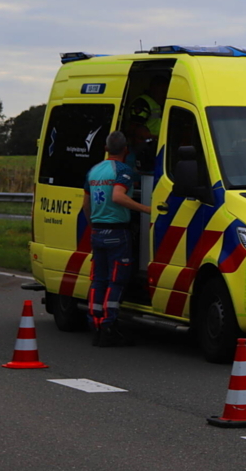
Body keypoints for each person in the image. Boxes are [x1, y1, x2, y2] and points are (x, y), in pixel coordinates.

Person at [82, 131, 151, 347]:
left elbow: (86, 205)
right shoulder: (123, 170)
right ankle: (109, 325)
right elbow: (118, 196)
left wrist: (93, 225)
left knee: (98, 279)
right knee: (116, 280)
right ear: (126, 150)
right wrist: (146, 209)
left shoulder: (94, 170)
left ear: (106, 149)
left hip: (97, 231)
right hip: (117, 232)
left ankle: (95, 323)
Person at [127, 75, 168, 170]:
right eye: (162, 91)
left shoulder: (158, 103)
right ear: (153, 88)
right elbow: (135, 130)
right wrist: (156, 138)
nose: (165, 95)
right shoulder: (142, 103)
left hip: (154, 148)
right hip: (142, 150)